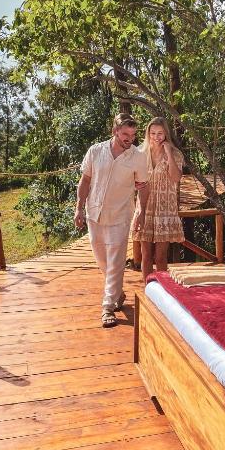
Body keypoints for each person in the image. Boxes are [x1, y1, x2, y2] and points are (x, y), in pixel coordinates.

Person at [75, 114, 149, 327]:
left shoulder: (138, 157)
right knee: (103, 261)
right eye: (125, 134)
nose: (130, 138)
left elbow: (143, 186)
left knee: (116, 262)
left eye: (133, 135)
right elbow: (85, 180)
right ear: (115, 131)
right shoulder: (95, 151)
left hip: (121, 215)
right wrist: (78, 208)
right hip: (94, 213)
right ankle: (117, 293)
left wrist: (141, 212)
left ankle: (108, 307)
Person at [130, 117, 184, 283]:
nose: (156, 136)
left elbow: (176, 178)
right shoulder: (139, 153)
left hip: (165, 209)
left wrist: (168, 152)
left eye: (160, 133)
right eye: (152, 133)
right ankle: (148, 289)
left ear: (166, 134)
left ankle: (163, 291)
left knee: (160, 257)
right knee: (145, 256)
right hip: (145, 208)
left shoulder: (175, 154)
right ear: (148, 134)